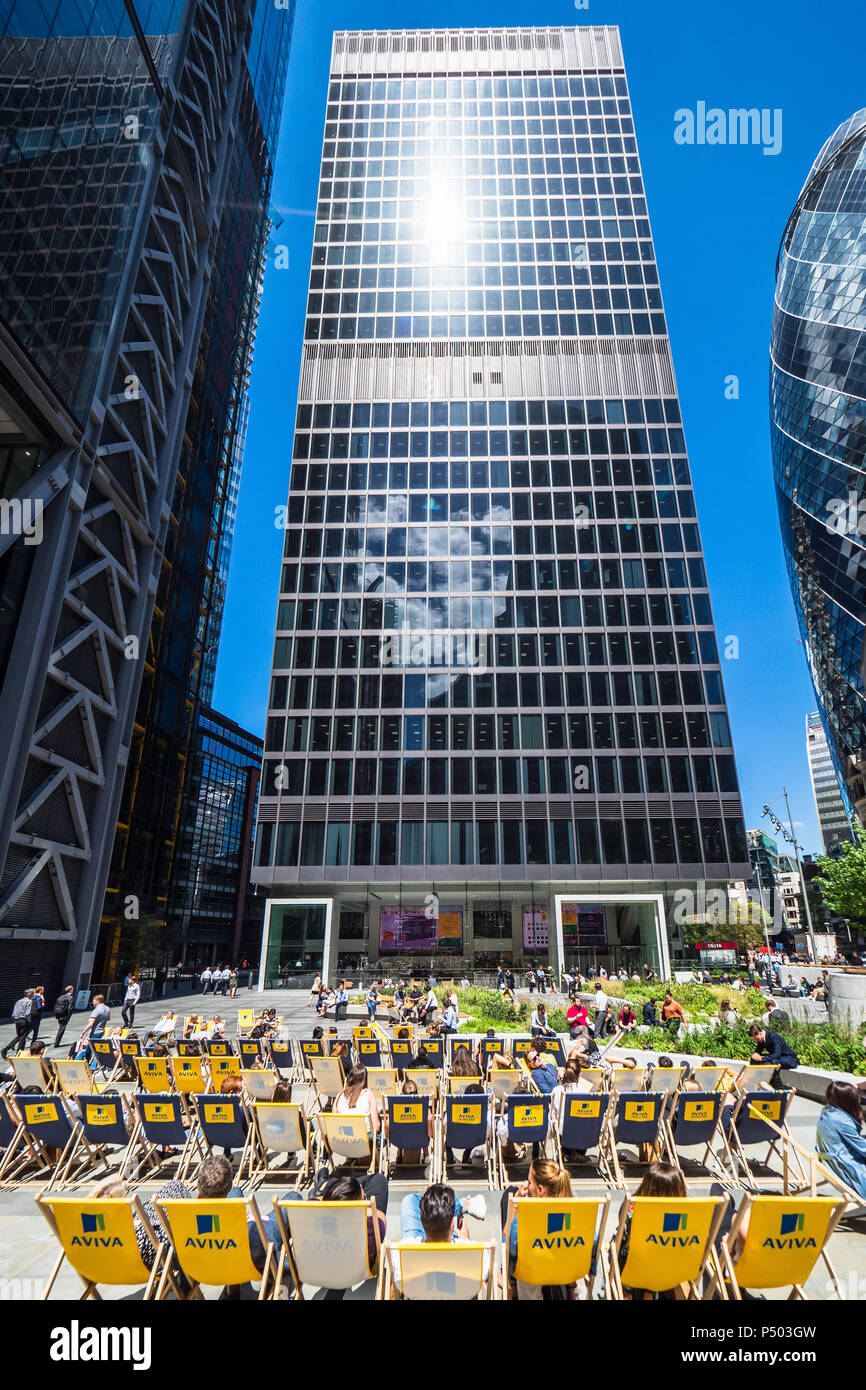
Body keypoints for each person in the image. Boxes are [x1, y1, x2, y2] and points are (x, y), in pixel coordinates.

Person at [500, 1157, 574, 1298]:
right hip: (564, 1264)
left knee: (507, 1196)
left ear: (540, 1189)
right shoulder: (574, 1210)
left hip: (534, 1271)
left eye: (529, 1181)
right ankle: (571, 1287)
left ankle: (512, 1284)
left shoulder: (528, 1220)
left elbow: (506, 1242)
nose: (526, 1184)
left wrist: (516, 1204)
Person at [617, 1162, 689, 1299]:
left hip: (637, 1265)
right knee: (660, 1246)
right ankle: (649, 1292)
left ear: (647, 1185)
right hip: (672, 1262)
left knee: (624, 1241)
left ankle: (627, 1289)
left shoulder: (633, 1209)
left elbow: (624, 1234)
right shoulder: (687, 1215)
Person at [815, 1082, 866, 1200]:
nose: (859, 1097)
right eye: (856, 1095)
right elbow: (863, 1149)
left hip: (832, 1161)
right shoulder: (841, 1122)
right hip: (846, 1167)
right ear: (849, 1099)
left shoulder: (829, 1111)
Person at [334, 1064, 380, 1138]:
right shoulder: (369, 1095)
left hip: (342, 1138)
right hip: (363, 1140)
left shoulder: (339, 1095)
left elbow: (334, 1121)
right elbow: (376, 1127)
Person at [74, 994, 110, 1062]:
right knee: (94, 1048)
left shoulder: (97, 1010)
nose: (92, 1002)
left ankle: (89, 1064)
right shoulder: (107, 1008)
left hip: (95, 1031)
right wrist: (101, 1019)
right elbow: (108, 1018)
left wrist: (83, 1032)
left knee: (89, 1050)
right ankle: (90, 1063)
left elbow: (91, 1024)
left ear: (97, 1001)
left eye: (93, 1001)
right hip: (101, 1031)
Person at [1, 990, 35, 1059]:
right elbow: (28, 1013)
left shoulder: (18, 1001)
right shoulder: (29, 1001)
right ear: (29, 994)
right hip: (24, 1020)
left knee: (19, 1036)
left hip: (17, 1020)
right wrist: (29, 1021)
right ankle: (19, 1054)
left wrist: (15, 1019)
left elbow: (14, 1012)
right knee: (23, 1037)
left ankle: (6, 1049)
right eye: (32, 993)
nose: (33, 995)